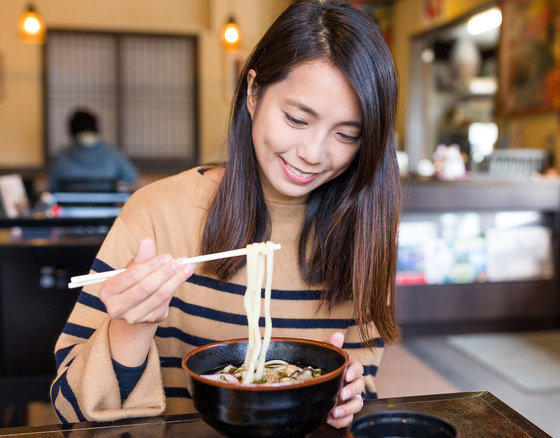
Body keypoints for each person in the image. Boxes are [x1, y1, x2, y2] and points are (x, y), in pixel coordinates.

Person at [51, 0, 400, 430]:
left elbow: (361, 387)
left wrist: (345, 395)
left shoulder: (365, 231)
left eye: (346, 134)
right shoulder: (158, 214)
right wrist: (130, 326)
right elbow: (69, 408)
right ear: (253, 92)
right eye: (296, 118)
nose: (312, 153)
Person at [46, 109, 139, 192]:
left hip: (70, 209)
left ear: (71, 131)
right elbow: (132, 178)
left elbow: (52, 186)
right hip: (106, 208)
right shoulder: (113, 155)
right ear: (96, 128)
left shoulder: (62, 158)